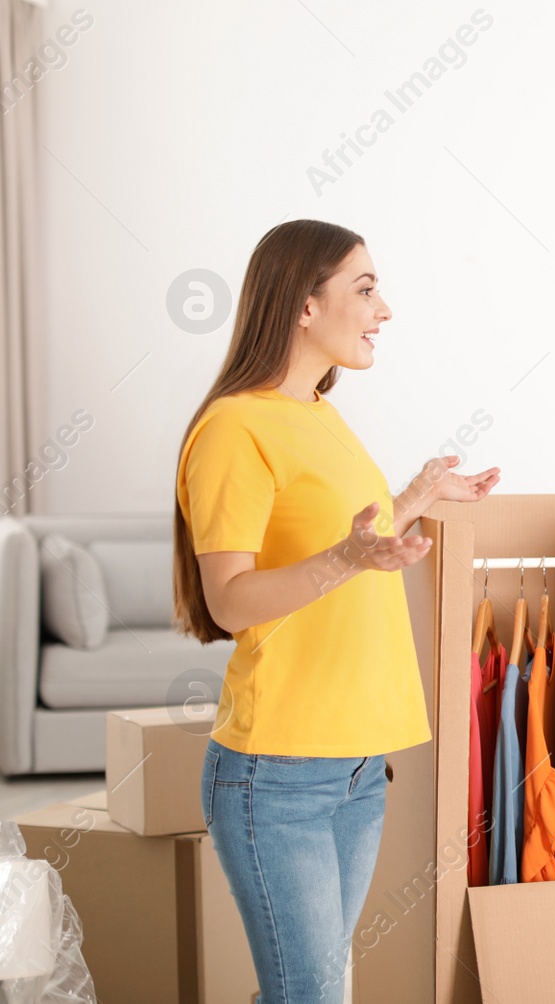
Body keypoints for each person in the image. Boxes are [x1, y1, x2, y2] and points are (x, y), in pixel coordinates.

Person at [173, 219, 501, 1002]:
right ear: (303, 305)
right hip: (279, 773)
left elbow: (347, 540)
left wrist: (415, 496)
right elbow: (230, 598)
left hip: (356, 765)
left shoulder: (318, 413)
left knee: (308, 990)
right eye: (364, 288)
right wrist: (349, 558)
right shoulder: (234, 427)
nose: (383, 309)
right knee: (312, 995)